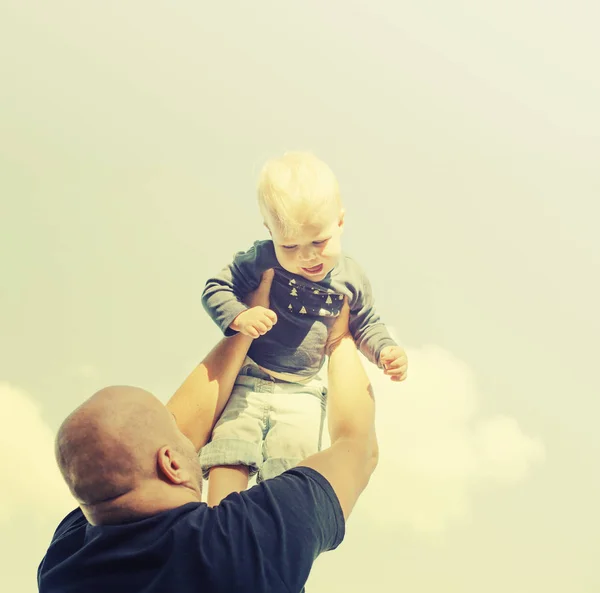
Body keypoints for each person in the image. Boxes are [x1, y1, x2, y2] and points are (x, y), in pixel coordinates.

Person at [38, 271, 379, 593]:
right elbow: (357, 447)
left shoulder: (64, 562)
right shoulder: (245, 541)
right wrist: (340, 339)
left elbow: (148, 443)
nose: (186, 430)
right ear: (170, 463)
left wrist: (248, 327)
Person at [201, 151, 407, 505]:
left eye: (319, 242)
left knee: (291, 461)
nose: (307, 256)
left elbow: (365, 322)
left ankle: (272, 526)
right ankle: (219, 516)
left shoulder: (351, 278)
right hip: (250, 378)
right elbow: (216, 288)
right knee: (230, 445)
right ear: (270, 233)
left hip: (305, 390)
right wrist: (239, 317)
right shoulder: (260, 259)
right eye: (290, 246)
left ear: (340, 222)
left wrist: (386, 350)